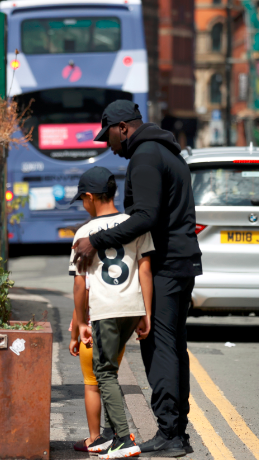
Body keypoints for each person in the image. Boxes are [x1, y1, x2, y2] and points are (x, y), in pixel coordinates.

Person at [73, 100, 202, 457]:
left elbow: (145, 217)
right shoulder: (166, 152)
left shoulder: (145, 157)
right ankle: (176, 431)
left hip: (166, 266)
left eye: (109, 136)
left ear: (123, 128)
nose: (109, 145)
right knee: (173, 349)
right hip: (182, 263)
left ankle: (170, 435)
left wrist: (95, 241)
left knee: (159, 350)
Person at [69, 166, 154, 459]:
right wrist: (147, 313)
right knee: (111, 371)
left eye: (82, 199)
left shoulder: (84, 233)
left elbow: (80, 285)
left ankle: (122, 437)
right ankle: (108, 436)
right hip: (132, 307)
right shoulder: (133, 224)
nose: (83, 204)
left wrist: (81, 323)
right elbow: (145, 269)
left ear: (90, 197)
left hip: (106, 310)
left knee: (102, 373)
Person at [69, 273, 127, 453]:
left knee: (92, 385)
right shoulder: (119, 266)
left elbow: (82, 301)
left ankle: (95, 438)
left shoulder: (90, 268)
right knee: (109, 381)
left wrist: (73, 337)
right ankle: (113, 435)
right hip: (118, 333)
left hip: (93, 334)